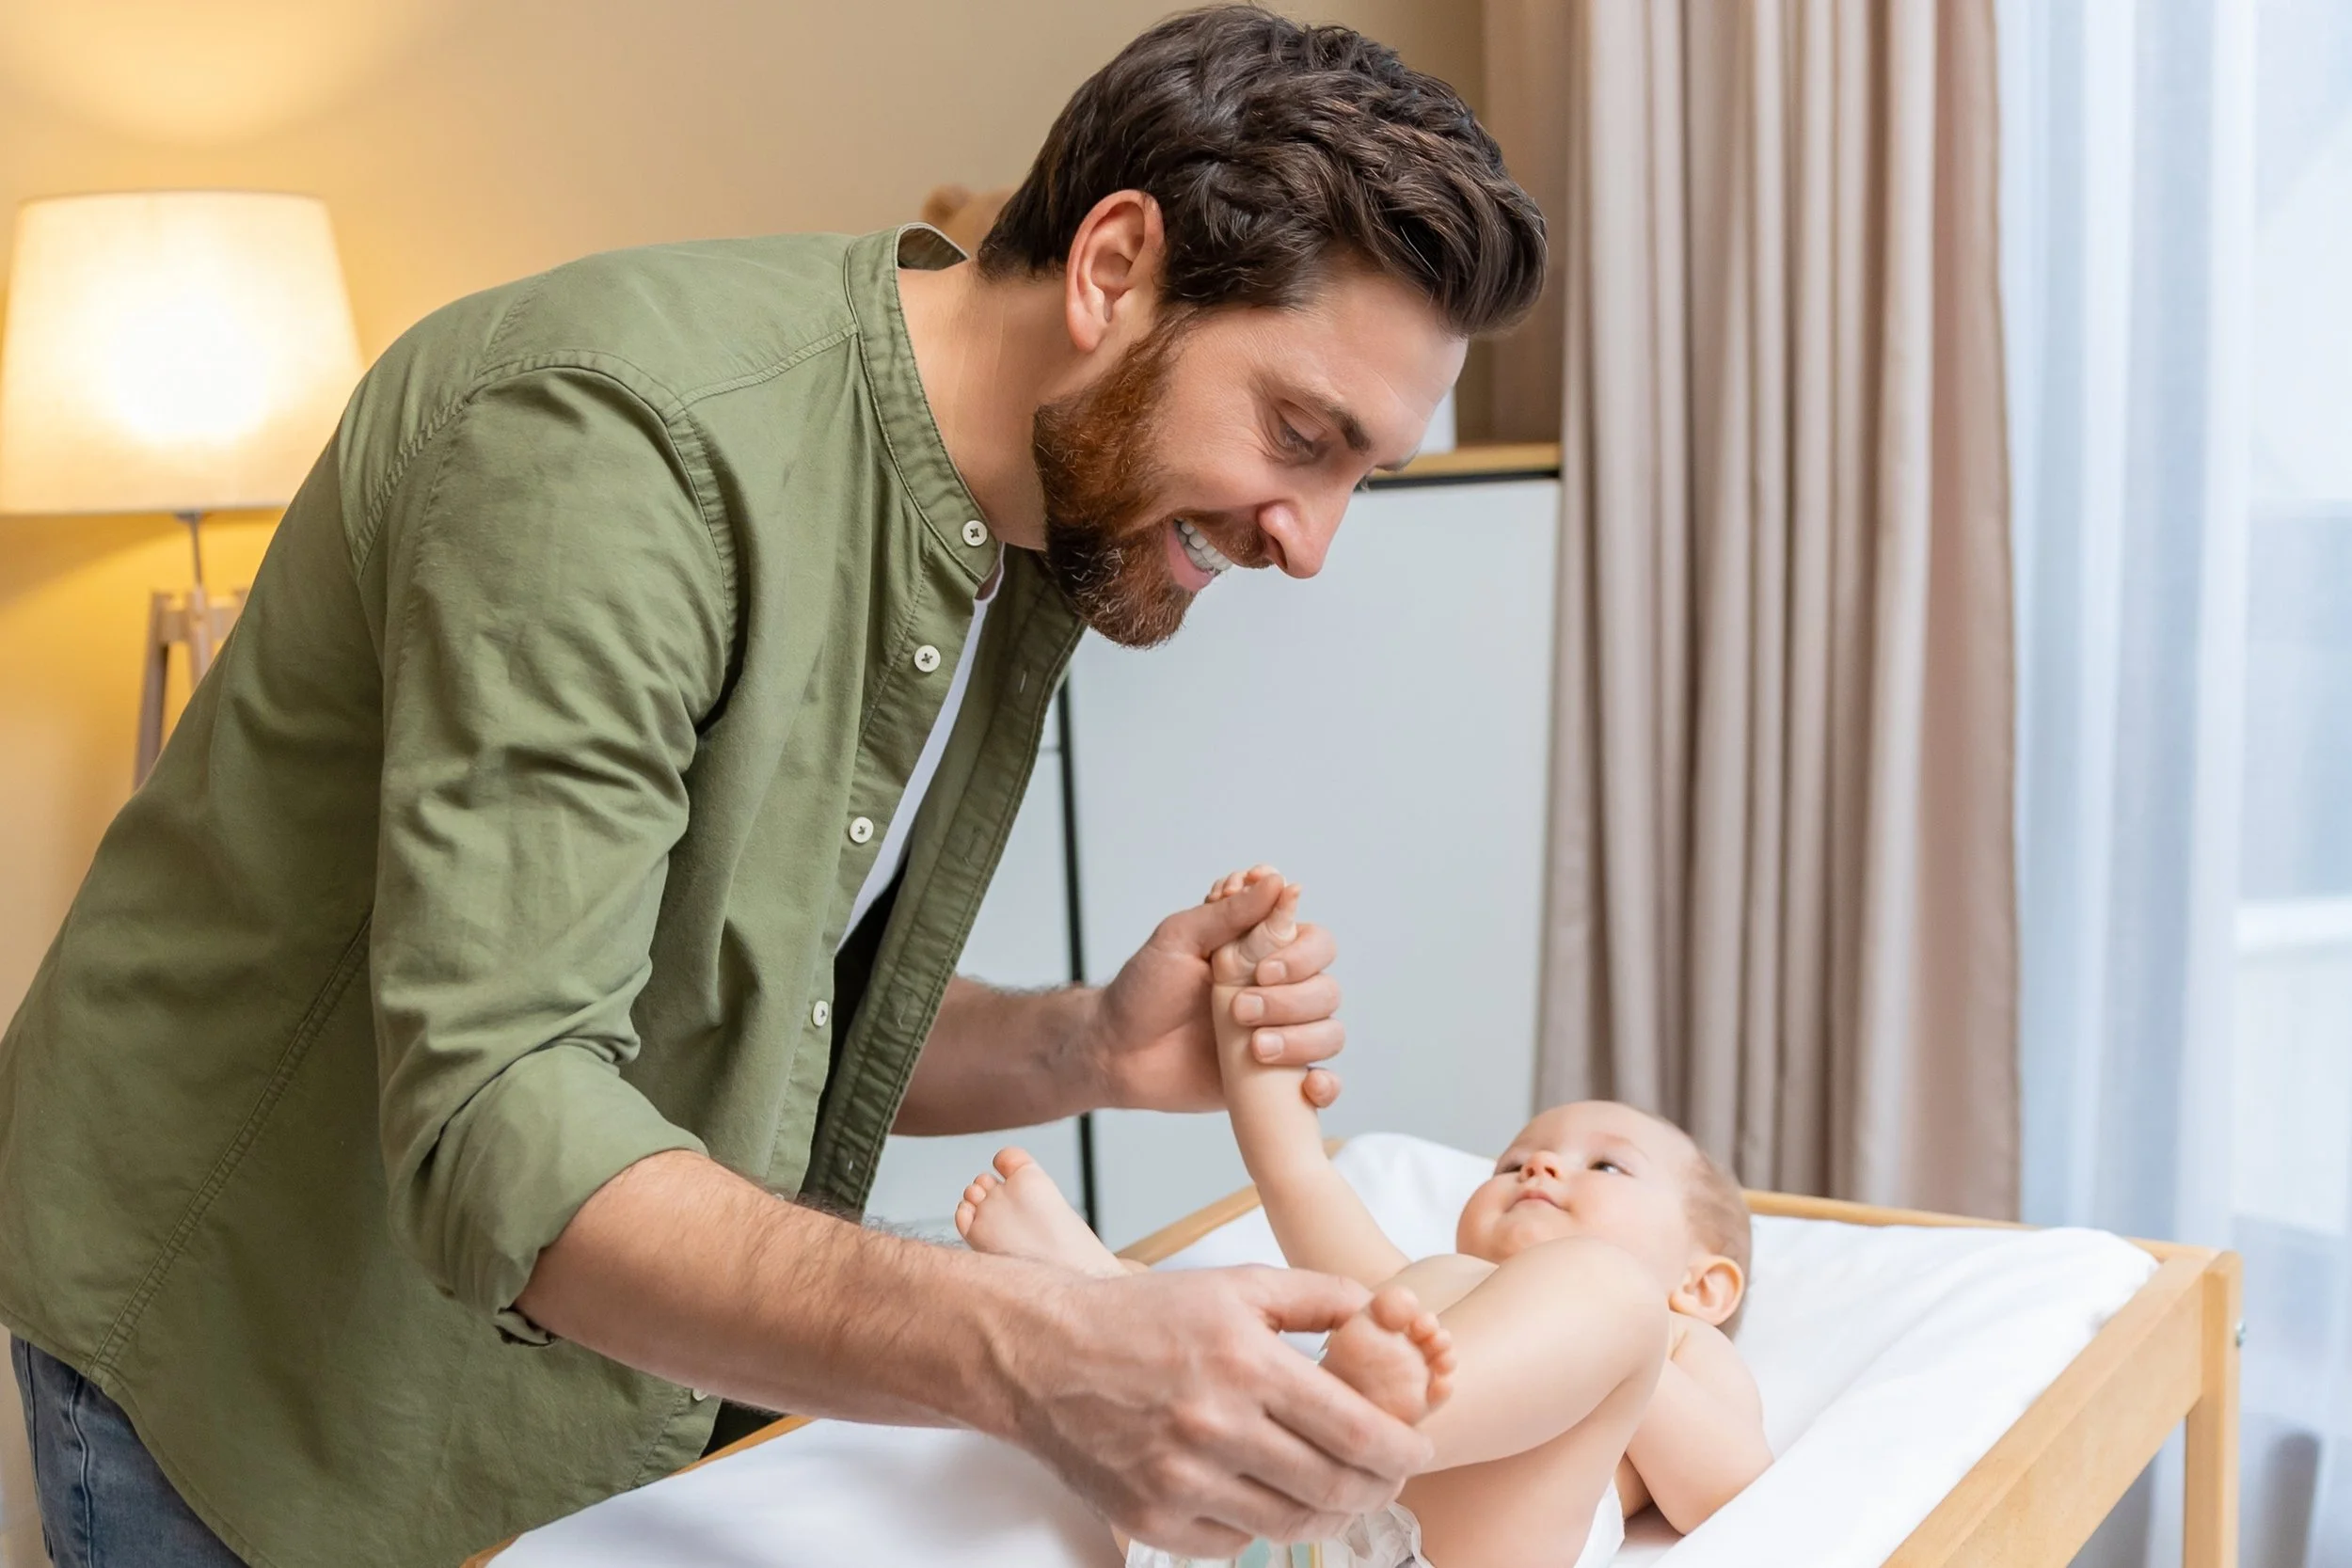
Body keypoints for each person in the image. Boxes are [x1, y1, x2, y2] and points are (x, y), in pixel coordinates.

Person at [0, 9, 1547, 1567]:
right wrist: (1046, 1347)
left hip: (556, 1365)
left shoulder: (1029, 528)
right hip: (240, 1353)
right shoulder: (610, 446)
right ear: (1112, 271)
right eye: (1301, 434)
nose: (1314, 542)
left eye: (1367, 472)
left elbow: (744, 1000)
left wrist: (1079, 1043)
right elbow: (504, 1113)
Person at [958, 870, 1774, 1566]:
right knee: (1172, 1309)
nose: (1540, 1166)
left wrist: (1627, 1337)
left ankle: (1315, 1424)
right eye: (1514, 1162)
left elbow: (1727, 1485)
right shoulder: (1415, 1299)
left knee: (1606, 1293)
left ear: (1704, 1283)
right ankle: (1095, 1293)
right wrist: (1250, 1027)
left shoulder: (1676, 1334)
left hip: (1430, 1542)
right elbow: (1297, 1171)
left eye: (1606, 1165)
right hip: (1263, 1531)